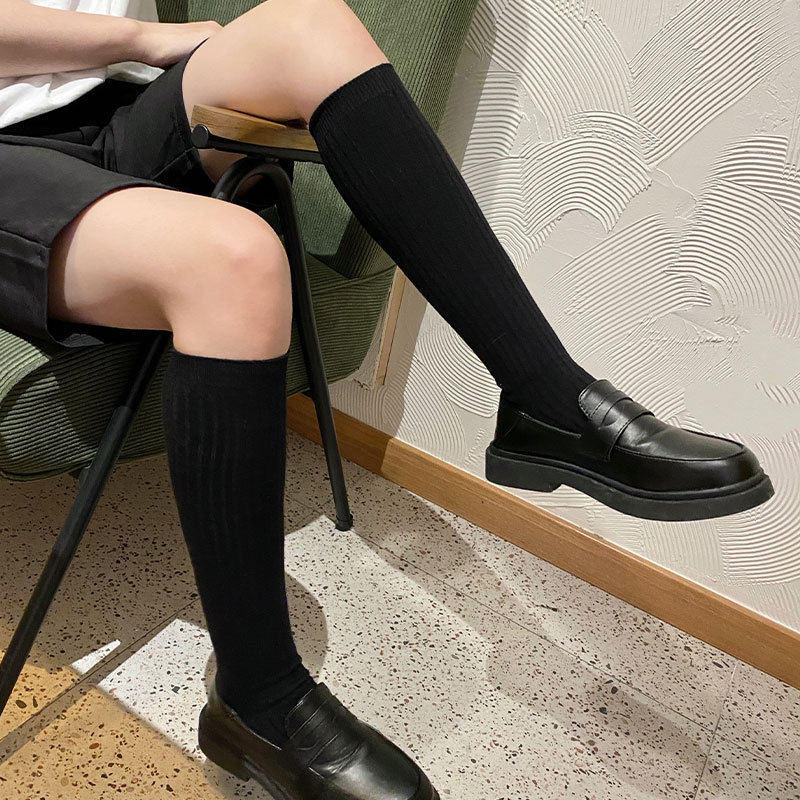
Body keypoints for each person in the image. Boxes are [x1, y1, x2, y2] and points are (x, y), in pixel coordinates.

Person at [0, 1, 775, 797]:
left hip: (115, 101)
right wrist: (145, 37)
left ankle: (547, 399)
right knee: (236, 260)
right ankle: (258, 697)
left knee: (309, 25)